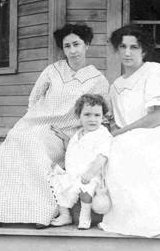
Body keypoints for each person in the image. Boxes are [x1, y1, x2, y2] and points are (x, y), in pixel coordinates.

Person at [0, 23, 109, 228]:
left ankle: (39, 213)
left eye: (77, 44)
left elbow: (101, 113)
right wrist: (36, 121)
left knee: (34, 145)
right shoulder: (52, 70)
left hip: (66, 131)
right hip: (36, 123)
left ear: (87, 45)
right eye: (67, 46)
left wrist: (74, 134)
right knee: (15, 140)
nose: (72, 50)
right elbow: (34, 99)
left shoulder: (98, 80)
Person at [100, 24, 160, 237]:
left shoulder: (154, 71)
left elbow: (159, 116)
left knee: (126, 146)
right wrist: (115, 132)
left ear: (143, 51)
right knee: (115, 146)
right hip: (131, 137)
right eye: (122, 46)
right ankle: (129, 216)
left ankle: (153, 219)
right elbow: (116, 122)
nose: (127, 52)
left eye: (134, 47)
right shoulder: (115, 86)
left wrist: (121, 134)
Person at [49, 94, 112, 229]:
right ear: (79, 116)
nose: (92, 119)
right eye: (87, 114)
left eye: (97, 115)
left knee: (86, 190)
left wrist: (90, 173)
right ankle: (65, 215)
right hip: (73, 173)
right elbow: (73, 150)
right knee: (60, 186)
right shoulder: (78, 134)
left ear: (103, 117)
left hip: (91, 174)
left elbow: (103, 156)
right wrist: (66, 140)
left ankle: (85, 216)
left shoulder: (103, 134)